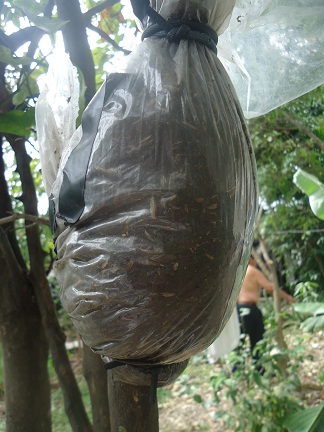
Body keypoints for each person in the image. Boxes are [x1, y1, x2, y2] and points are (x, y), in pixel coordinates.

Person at [237, 256, 296, 362]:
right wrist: (288, 298)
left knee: (239, 340)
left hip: (238, 309)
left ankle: (236, 369)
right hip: (251, 309)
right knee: (256, 339)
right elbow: (270, 288)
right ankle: (259, 367)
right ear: (251, 260)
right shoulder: (253, 271)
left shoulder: (237, 274)